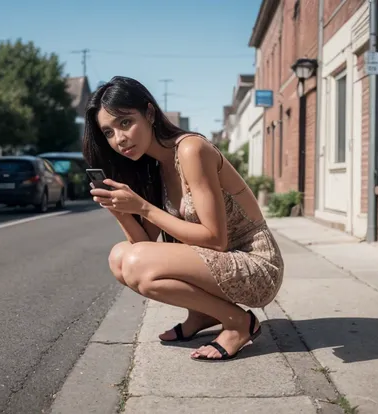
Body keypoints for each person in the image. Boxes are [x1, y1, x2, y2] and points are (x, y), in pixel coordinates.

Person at [83, 76, 284, 362]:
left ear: (150, 113)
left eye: (125, 123)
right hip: (222, 264)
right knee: (120, 257)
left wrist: (144, 208)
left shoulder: (191, 150)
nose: (119, 139)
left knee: (135, 260)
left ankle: (239, 323)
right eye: (109, 132)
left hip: (256, 263)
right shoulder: (153, 168)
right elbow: (144, 246)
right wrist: (120, 212)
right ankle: (202, 314)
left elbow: (216, 239)